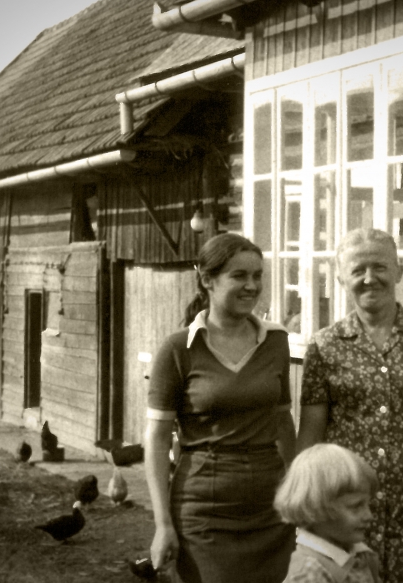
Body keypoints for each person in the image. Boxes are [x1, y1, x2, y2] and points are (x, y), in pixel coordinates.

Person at [296, 228, 403, 583]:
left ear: (399, 271)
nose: (369, 278)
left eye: (380, 267)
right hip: (346, 518)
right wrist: (307, 522)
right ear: (341, 278)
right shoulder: (324, 347)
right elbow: (310, 441)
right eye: (358, 270)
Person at [144, 233, 296, 583]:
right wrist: (163, 524)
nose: (252, 286)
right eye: (239, 276)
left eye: (257, 276)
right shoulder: (178, 349)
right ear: (207, 280)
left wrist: (298, 492)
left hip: (271, 504)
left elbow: (282, 422)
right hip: (205, 508)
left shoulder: (275, 342)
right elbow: (156, 440)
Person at [274, 443, 382, 583]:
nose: (369, 516)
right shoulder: (310, 573)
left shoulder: (357, 553)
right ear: (316, 510)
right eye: (356, 506)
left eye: (368, 505)